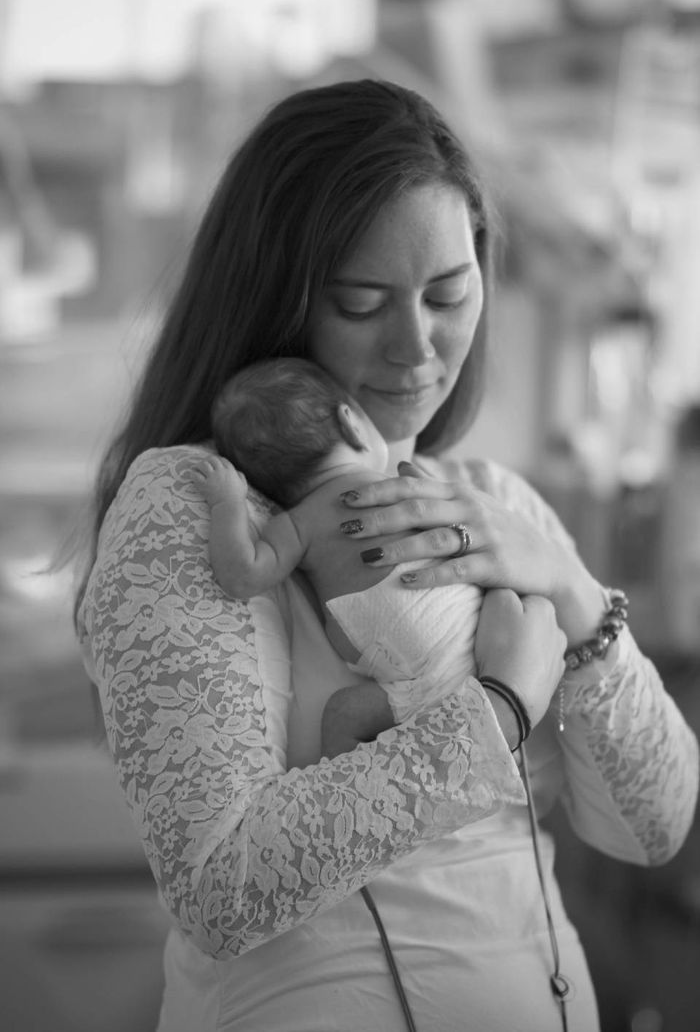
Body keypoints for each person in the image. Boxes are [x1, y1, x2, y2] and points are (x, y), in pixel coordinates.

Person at [75, 79, 698, 1032]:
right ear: (275, 301)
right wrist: (496, 713)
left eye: (449, 293)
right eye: (363, 302)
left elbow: (656, 826)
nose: (418, 346)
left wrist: (570, 588)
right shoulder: (196, 504)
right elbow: (222, 886)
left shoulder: (499, 505)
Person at [190, 355, 488, 744]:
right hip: (476, 645)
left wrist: (226, 503)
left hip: (407, 680)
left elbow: (241, 576)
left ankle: (370, 800)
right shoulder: (405, 486)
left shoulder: (297, 525)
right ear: (351, 422)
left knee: (341, 718)